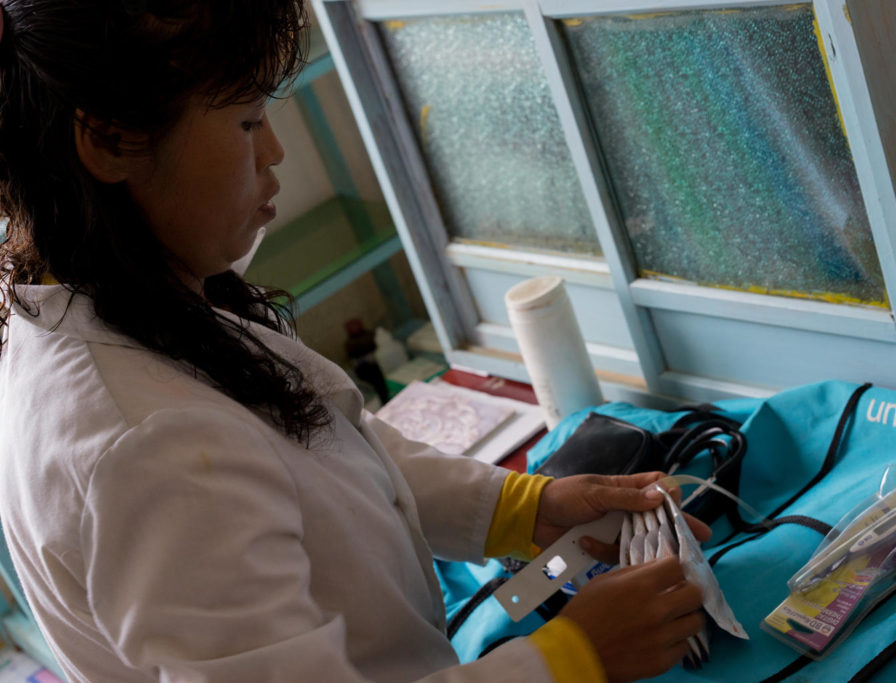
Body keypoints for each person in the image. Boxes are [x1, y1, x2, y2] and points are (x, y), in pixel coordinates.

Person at [0, 2, 709, 681]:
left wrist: (521, 509)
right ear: (110, 140)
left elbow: (318, 446)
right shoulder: (148, 448)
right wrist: (576, 656)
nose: (274, 149)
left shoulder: (109, 294)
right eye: (248, 122)